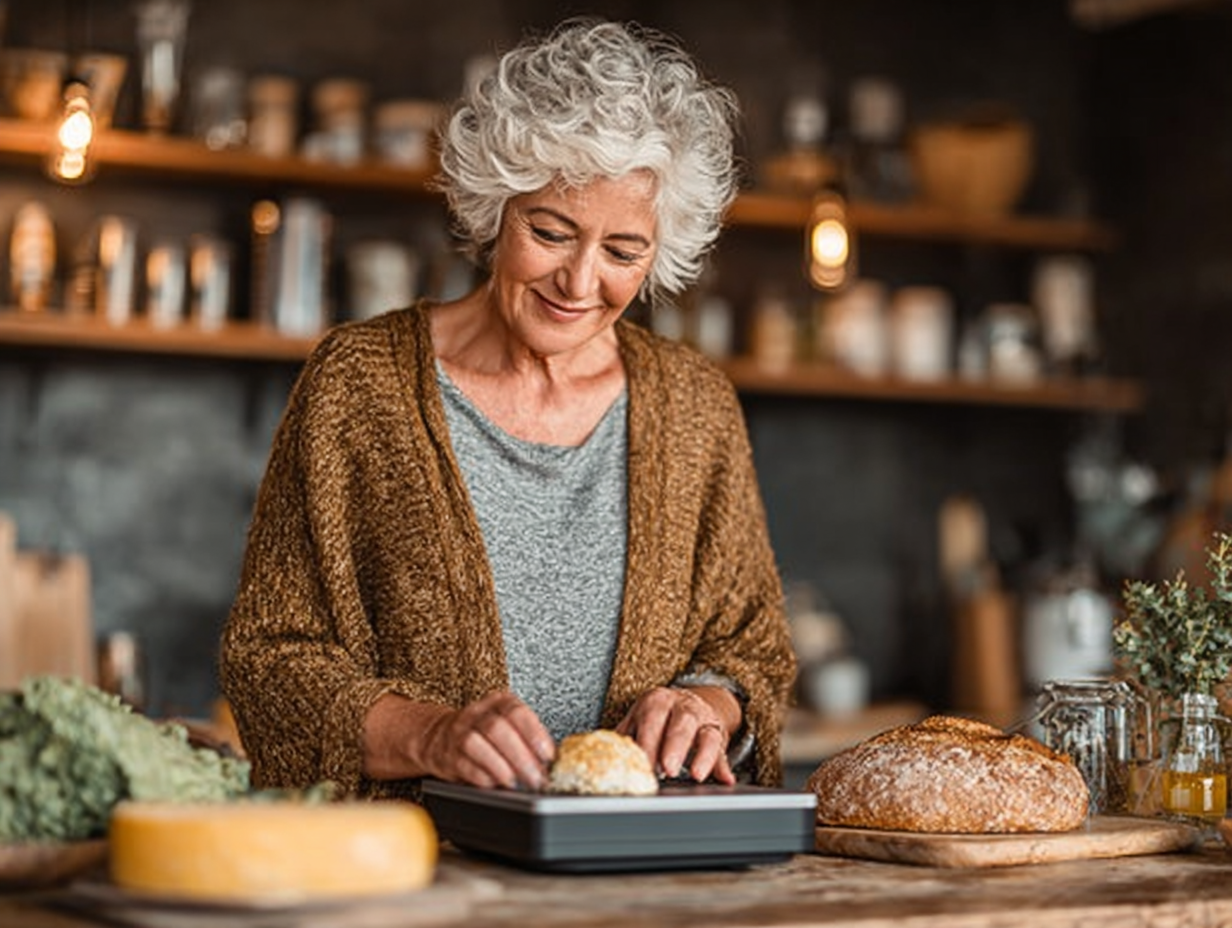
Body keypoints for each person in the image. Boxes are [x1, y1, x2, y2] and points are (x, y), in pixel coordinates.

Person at [219, 17, 795, 800]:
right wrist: (432, 734)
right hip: (419, 884)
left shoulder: (696, 406)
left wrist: (704, 705)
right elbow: (269, 660)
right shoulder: (358, 385)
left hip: (645, 887)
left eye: (624, 252)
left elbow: (752, 650)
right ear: (495, 208)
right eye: (551, 232)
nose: (580, 281)